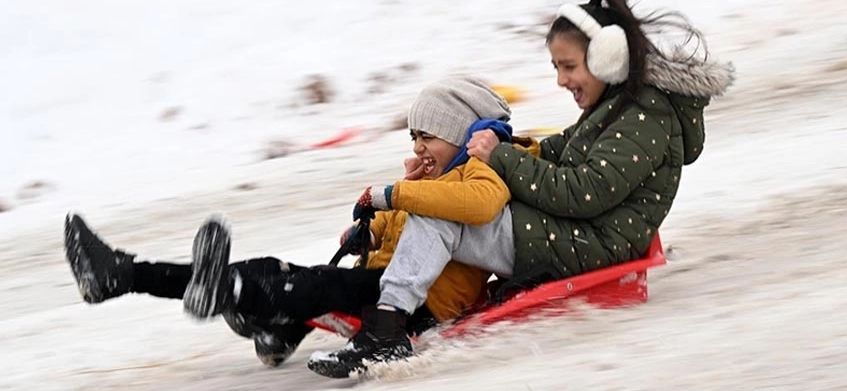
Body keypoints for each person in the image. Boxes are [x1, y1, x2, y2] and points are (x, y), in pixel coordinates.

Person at [307, 0, 735, 378]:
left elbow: (586, 191)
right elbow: (561, 150)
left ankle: (387, 329)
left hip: (594, 243)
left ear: (607, 58)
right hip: (578, 232)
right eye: (556, 68)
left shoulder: (644, 118)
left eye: (568, 66)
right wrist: (505, 149)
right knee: (452, 201)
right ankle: (395, 305)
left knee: (441, 213)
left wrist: (505, 159)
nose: (561, 80)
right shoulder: (620, 108)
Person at [63, 75, 521, 368]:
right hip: (382, 283)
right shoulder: (435, 177)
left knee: (297, 284)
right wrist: (371, 229)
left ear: (464, 133)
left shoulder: (479, 173)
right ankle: (131, 275)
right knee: (281, 274)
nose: (419, 147)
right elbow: (403, 232)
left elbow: (472, 209)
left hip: (421, 305)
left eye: (429, 136)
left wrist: (403, 193)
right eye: (414, 136)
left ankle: (233, 299)